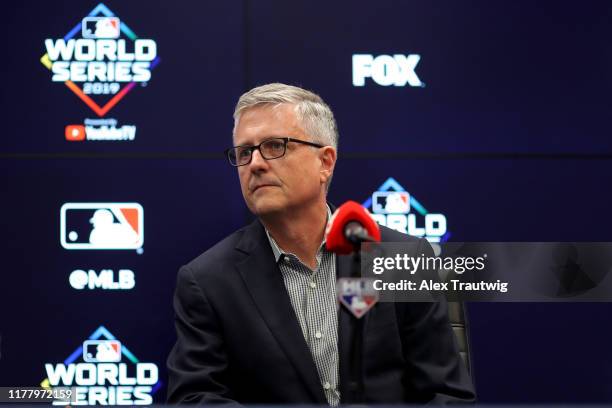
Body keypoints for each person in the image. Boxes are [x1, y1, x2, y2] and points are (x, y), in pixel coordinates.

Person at [167, 83, 475, 405]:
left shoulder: (402, 257)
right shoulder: (208, 281)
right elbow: (194, 398)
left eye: (275, 146)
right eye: (244, 152)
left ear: (325, 162)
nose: (255, 164)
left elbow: (447, 395)